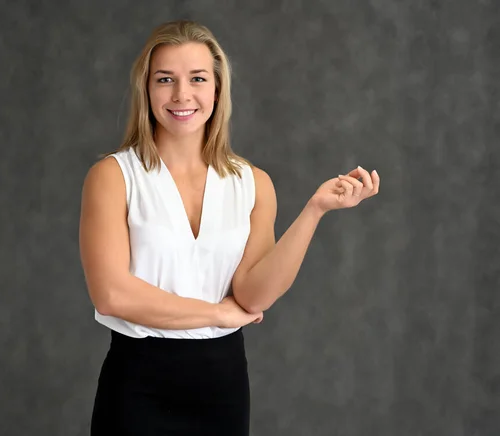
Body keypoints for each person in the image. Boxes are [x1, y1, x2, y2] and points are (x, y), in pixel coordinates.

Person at [78, 19, 380, 436]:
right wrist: (217, 313)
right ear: (146, 89)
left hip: (222, 387)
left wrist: (314, 210)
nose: (182, 95)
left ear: (217, 89)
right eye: (166, 79)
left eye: (197, 79)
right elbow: (111, 295)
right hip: (137, 384)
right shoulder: (113, 176)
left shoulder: (252, 183)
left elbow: (254, 295)